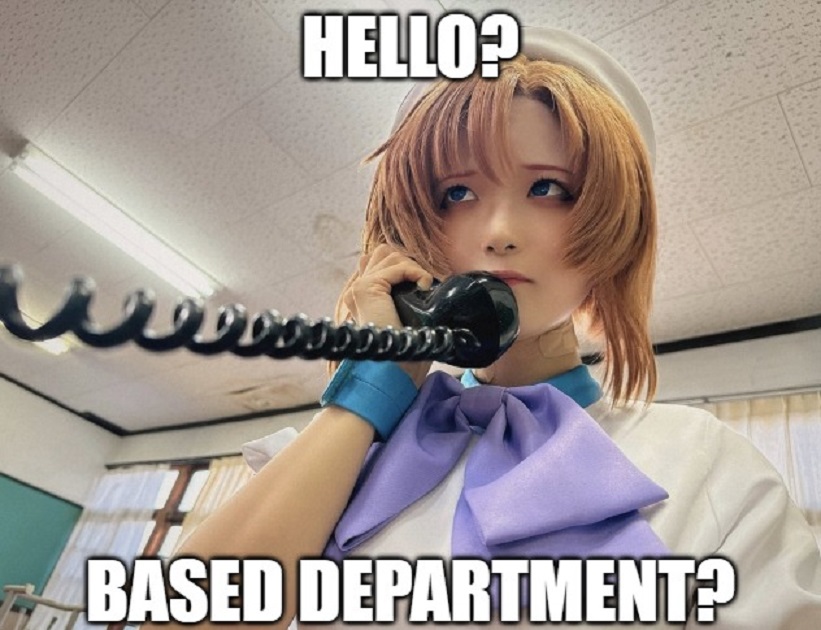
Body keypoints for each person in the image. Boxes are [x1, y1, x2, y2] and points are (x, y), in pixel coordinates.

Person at [160, 27, 821, 629]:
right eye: (456, 194)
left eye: (548, 188)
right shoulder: (347, 462)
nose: (499, 232)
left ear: (611, 225)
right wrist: (369, 387)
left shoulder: (703, 458)